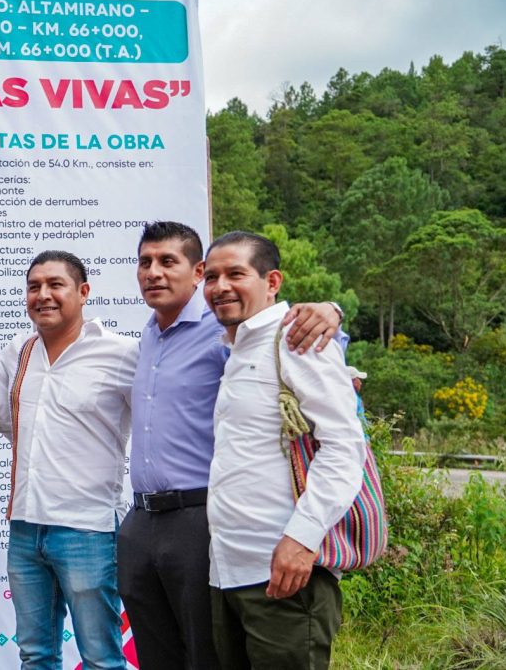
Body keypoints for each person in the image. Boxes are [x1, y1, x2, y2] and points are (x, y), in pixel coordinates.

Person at [117, 222, 343, 670]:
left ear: (195, 272)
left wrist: (331, 313)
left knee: (207, 655)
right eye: (145, 262)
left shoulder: (226, 328)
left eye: (167, 261)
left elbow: (308, 349)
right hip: (147, 522)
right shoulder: (147, 337)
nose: (153, 272)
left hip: (200, 519)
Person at [202, 231, 366, 669]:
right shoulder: (236, 347)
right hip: (230, 571)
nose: (220, 287)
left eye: (236, 274)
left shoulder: (297, 339)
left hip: (285, 572)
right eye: (212, 277)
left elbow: (345, 447)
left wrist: (302, 538)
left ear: (272, 281)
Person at [0, 250, 136, 670]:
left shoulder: (122, 352)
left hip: (87, 528)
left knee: (101, 658)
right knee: (35, 655)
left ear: (83, 291)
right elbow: (9, 423)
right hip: (25, 527)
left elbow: (156, 423)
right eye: (34, 286)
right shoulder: (17, 352)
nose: (43, 295)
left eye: (55, 285)